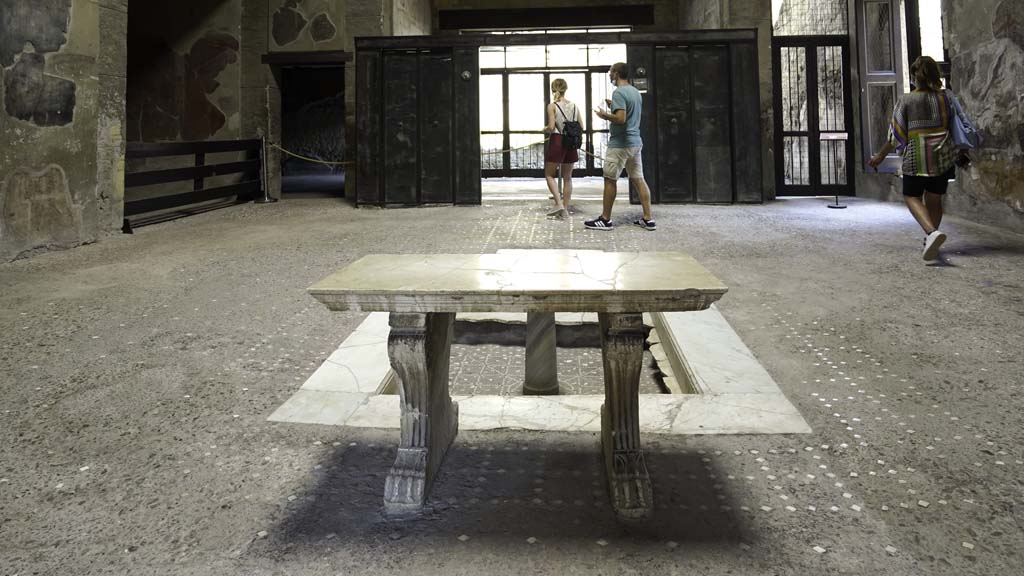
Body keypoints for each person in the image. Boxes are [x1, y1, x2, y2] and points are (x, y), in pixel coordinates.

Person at [868, 56, 961, 261]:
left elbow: (896, 136)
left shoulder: (907, 100)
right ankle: (932, 238)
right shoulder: (946, 98)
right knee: (934, 199)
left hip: (917, 157)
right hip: (942, 156)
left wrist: (880, 156)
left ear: (914, 77)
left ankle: (931, 233)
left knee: (911, 196)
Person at [585, 62, 655, 231]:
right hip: (635, 142)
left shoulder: (619, 93)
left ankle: (605, 219)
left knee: (610, 179)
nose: (609, 75)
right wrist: (614, 107)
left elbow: (621, 119)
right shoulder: (635, 92)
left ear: (616, 73)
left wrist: (604, 115)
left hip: (620, 144)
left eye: (610, 72)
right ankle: (648, 218)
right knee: (639, 179)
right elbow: (627, 113)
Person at [542, 78, 583, 219]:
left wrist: (545, 129)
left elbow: (552, 127)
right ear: (566, 89)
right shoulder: (575, 106)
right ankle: (565, 210)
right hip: (571, 141)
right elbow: (581, 126)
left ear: (553, 89)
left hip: (558, 140)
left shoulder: (552, 106)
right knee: (568, 177)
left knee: (549, 174)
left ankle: (558, 203)